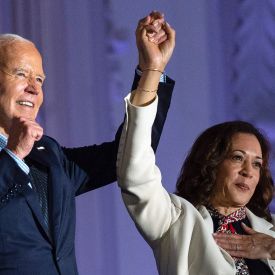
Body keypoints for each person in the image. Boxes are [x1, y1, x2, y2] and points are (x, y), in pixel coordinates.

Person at [0, 12, 175, 275]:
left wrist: (152, 71)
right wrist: (13, 157)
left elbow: (125, 155)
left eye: (39, 80)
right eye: (21, 74)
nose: (34, 89)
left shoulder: (49, 155)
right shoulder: (16, 156)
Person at [116, 21, 275, 274]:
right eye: (237, 158)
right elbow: (136, 176)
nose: (249, 172)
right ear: (212, 163)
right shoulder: (178, 221)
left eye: (257, 163)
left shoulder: (270, 233)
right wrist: (153, 70)